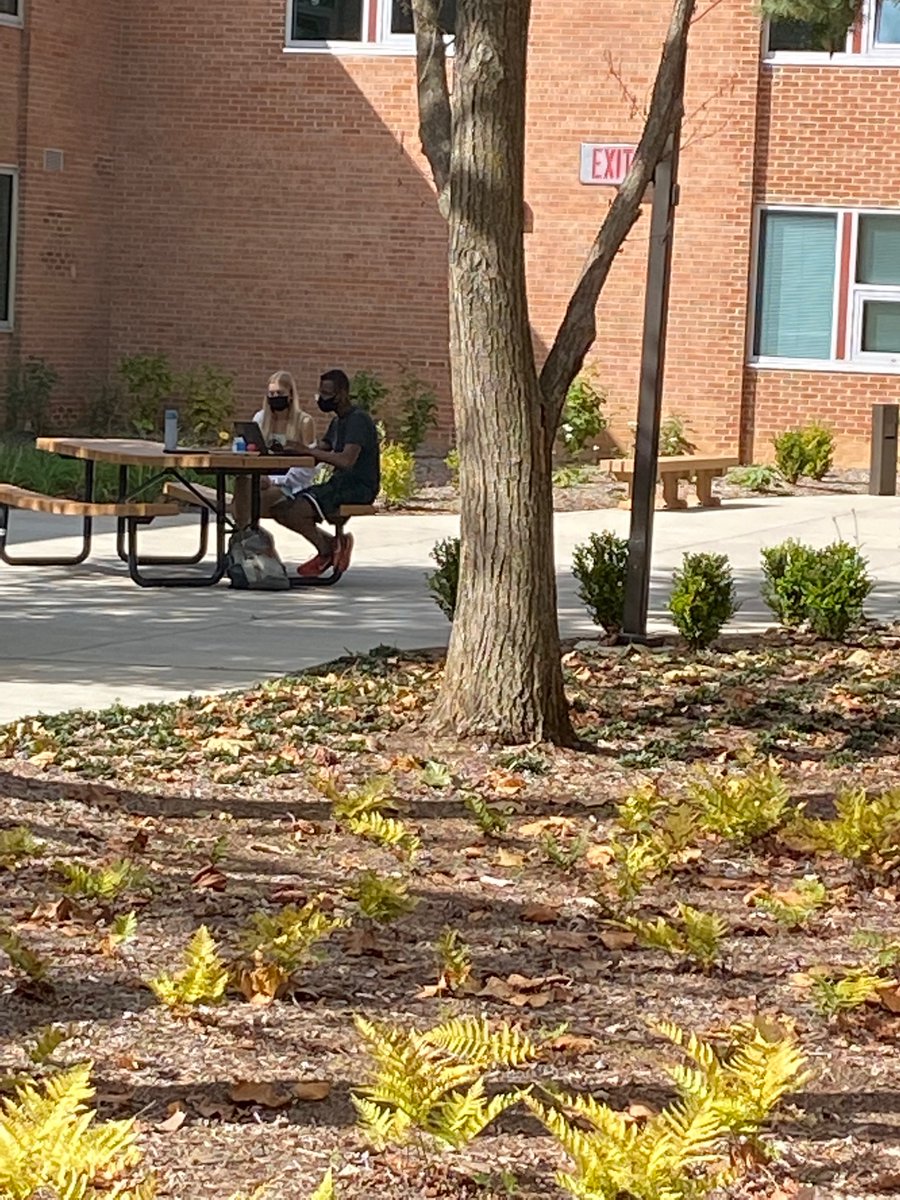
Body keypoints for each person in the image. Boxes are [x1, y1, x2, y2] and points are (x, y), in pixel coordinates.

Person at [268, 368, 380, 578]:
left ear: (343, 394)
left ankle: (327, 550)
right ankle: (333, 544)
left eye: (328, 394)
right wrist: (293, 448)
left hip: (357, 487)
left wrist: (310, 451)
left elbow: (347, 461)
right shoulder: (337, 422)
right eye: (321, 393)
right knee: (280, 509)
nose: (322, 398)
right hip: (338, 484)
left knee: (294, 511)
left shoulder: (358, 420)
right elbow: (324, 446)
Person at [232, 371, 318, 528]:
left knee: (247, 504)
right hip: (261, 479)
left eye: (280, 393)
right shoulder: (260, 419)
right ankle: (247, 537)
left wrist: (274, 480)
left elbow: (309, 466)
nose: (275, 397)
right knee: (242, 483)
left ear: (290, 395)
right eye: (271, 393)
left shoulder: (304, 422)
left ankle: (245, 537)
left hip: (290, 485)